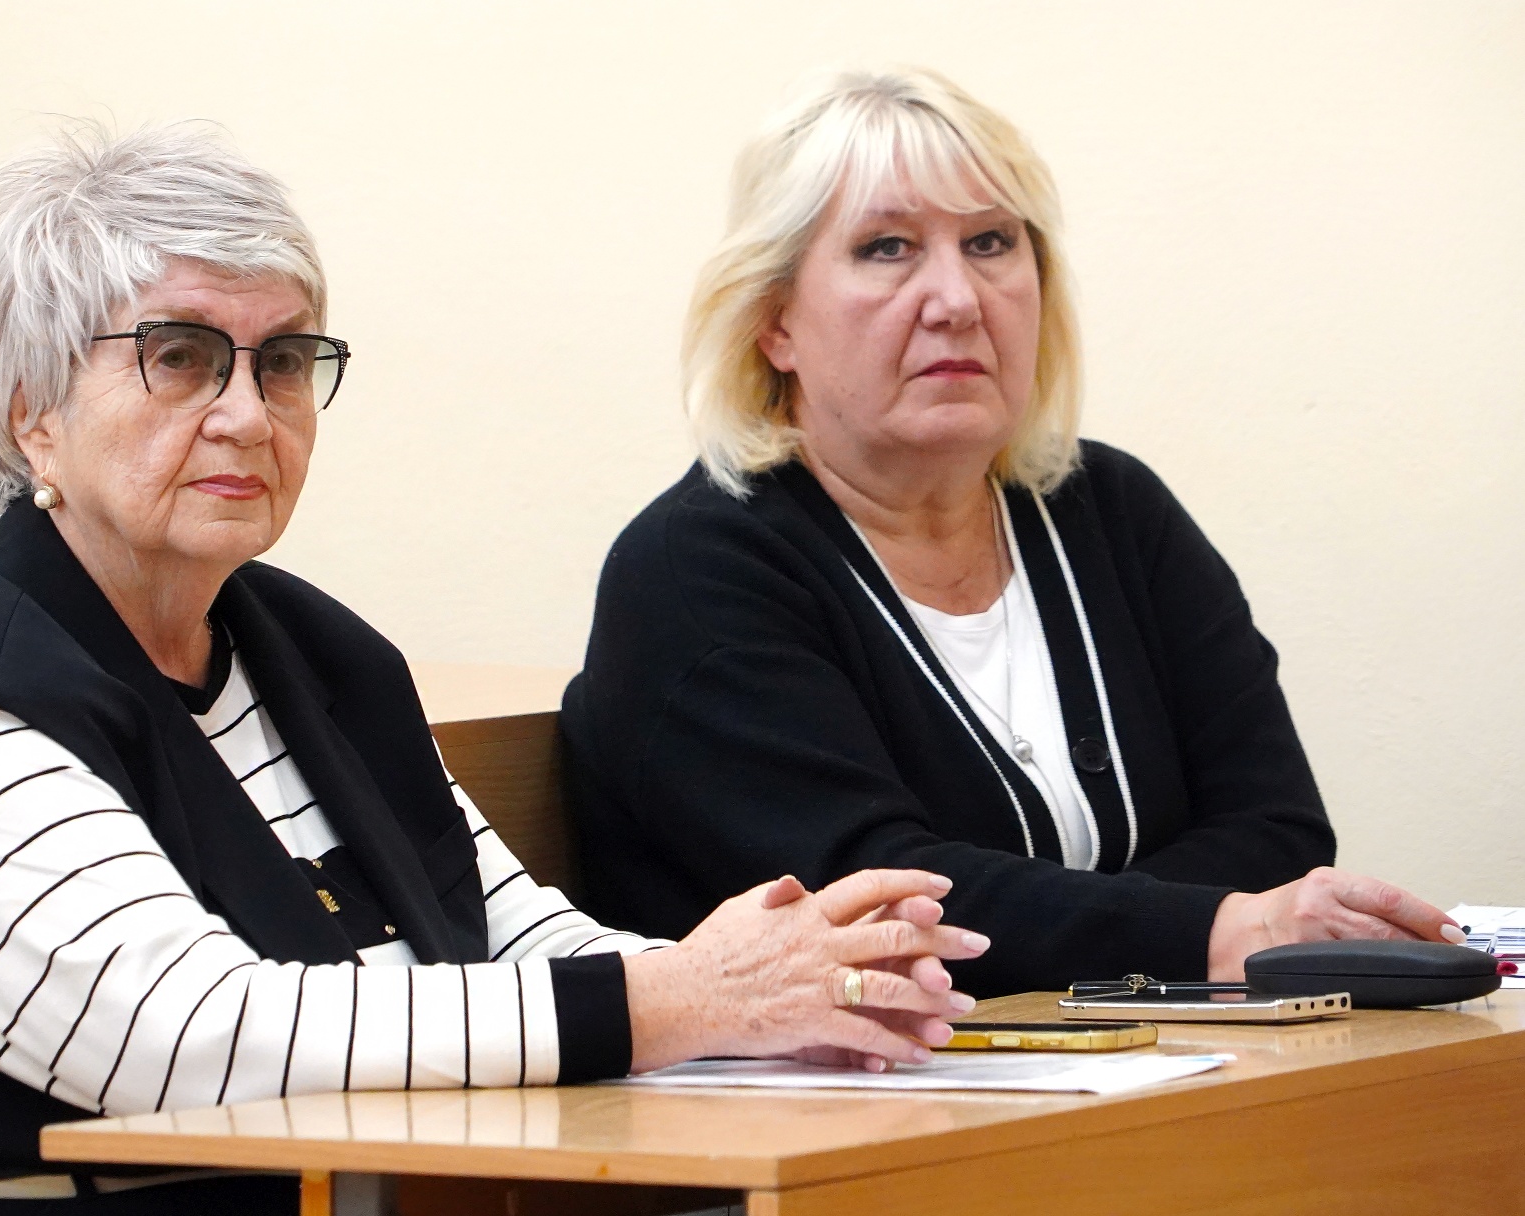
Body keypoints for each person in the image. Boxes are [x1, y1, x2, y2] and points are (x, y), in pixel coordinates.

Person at [0, 124, 984, 1215]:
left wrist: (781, 996)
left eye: (282, 360)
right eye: (181, 357)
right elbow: (198, 1036)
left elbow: (507, 933)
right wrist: (680, 1000)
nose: (247, 414)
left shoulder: (315, 655)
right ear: (31, 413)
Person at [561, 67, 1463, 1001]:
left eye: (991, 242)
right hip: (839, 1084)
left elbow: (1279, 829)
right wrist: (1211, 928)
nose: (956, 299)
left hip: (1158, 1060)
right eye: (886, 248)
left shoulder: (1111, 511)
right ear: (773, 321)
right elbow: (876, 908)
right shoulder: (694, 572)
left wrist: (1117, 940)